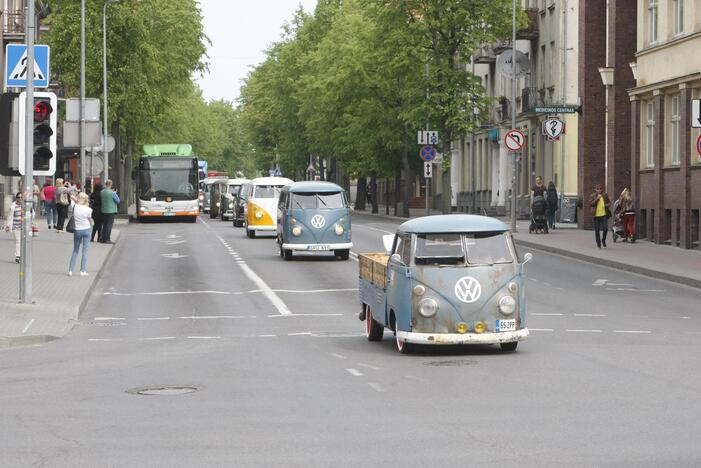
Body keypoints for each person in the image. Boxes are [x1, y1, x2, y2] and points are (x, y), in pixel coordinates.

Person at [68, 192, 93, 276]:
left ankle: (70, 270)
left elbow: (71, 197)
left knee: (75, 250)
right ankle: (83, 271)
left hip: (77, 230)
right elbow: (90, 220)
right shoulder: (88, 209)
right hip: (86, 229)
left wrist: (75, 199)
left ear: (78, 198)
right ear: (86, 200)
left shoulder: (74, 206)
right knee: (85, 251)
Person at [589, 184, 612, 248]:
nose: (599, 190)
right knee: (597, 230)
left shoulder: (605, 195)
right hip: (596, 215)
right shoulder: (592, 196)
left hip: (603, 215)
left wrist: (606, 205)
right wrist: (597, 199)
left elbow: (609, 203)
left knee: (605, 228)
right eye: (597, 189)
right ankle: (598, 243)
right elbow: (591, 204)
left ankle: (603, 240)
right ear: (595, 190)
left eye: (600, 189)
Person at [5, 193, 24, 263]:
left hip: (24, 227)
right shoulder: (13, 206)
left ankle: (23, 255)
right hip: (15, 227)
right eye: (18, 197)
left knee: (24, 242)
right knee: (18, 241)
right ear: (16, 198)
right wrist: (7, 225)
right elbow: (9, 217)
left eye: (21, 197)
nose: (20, 199)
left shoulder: (25, 206)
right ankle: (17, 256)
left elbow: (32, 214)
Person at [100, 179, 120, 244]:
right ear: (111, 184)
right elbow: (118, 201)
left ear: (106, 184)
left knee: (104, 225)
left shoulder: (102, 192)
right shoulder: (112, 193)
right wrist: (115, 193)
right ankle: (107, 239)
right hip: (111, 211)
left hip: (103, 210)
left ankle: (102, 239)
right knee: (109, 225)